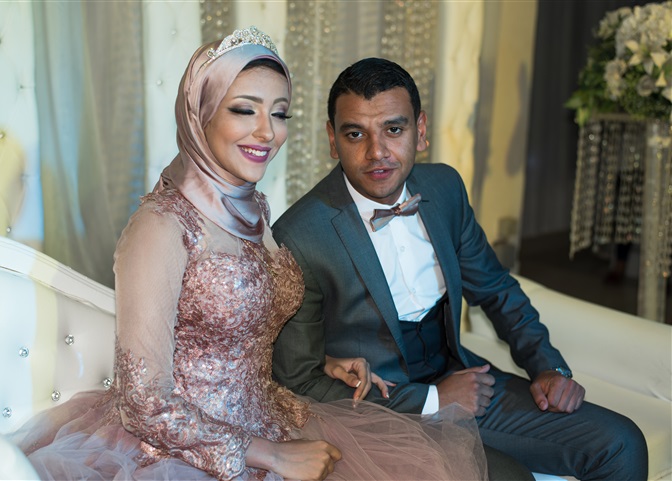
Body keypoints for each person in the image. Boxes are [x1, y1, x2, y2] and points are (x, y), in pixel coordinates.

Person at [9, 28, 488, 481]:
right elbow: (143, 403)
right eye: (244, 110)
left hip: (271, 415)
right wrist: (272, 455)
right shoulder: (160, 226)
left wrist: (324, 361)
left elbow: (237, 335)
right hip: (180, 450)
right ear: (200, 113)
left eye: (279, 114)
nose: (267, 133)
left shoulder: (252, 208)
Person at [271, 57, 649, 481]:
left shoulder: (444, 187)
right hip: (376, 416)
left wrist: (547, 366)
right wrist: (433, 400)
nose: (377, 152)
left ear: (421, 130)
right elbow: (300, 381)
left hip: (465, 382)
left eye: (394, 129)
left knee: (622, 445)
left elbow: (496, 289)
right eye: (355, 134)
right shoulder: (299, 235)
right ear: (332, 139)